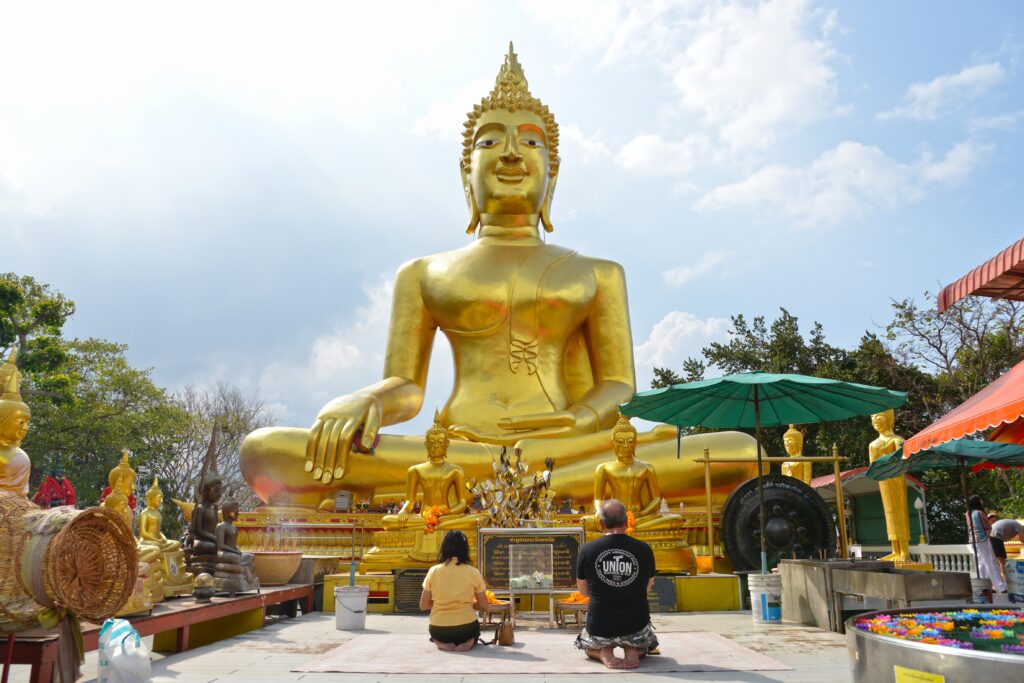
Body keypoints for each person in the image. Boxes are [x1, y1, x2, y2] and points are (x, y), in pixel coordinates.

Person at [575, 499, 658, 669]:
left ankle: (603, 651)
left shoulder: (587, 550)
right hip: (636, 624)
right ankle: (632, 649)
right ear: (627, 522)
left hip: (600, 625)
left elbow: (583, 593)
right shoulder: (644, 549)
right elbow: (646, 588)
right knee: (647, 644)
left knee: (584, 645)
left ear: (600, 523)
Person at [419, 530, 489, 652]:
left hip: (439, 629)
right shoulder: (473, 572)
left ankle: (439, 642)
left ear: (444, 548)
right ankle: (470, 641)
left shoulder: (433, 571)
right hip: (466, 629)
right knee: (474, 631)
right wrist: (471, 604)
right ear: (465, 549)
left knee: (436, 632)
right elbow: (484, 606)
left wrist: (441, 602)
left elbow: (423, 605)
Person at [966, 496, 1007, 592]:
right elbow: (988, 526)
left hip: (973, 540)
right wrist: (987, 536)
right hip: (982, 540)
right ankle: (1000, 587)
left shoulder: (968, 513)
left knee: (981, 564)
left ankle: (984, 586)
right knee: (991, 562)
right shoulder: (980, 513)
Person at [989, 515, 1023, 587]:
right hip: (995, 537)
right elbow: (1022, 539)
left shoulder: (1013, 523)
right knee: (1002, 562)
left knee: (997, 561)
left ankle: (997, 582)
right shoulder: (1019, 526)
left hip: (991, 537)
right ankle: (1004, 582)